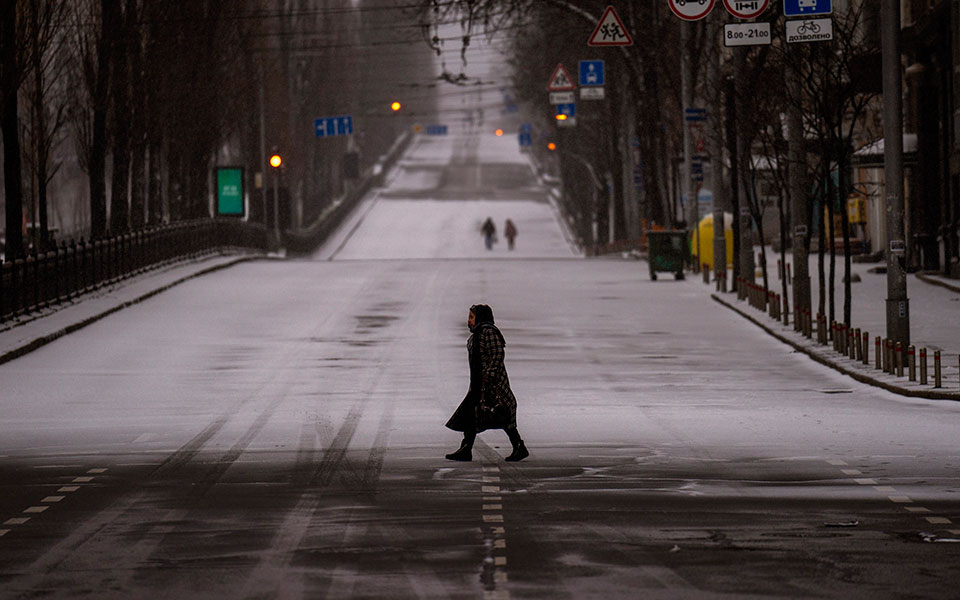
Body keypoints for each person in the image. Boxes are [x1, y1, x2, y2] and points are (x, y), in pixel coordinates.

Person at [445, 304, 528, 462]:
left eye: (471, 317)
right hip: (479, 385)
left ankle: (518, 446)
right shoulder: (476, 335)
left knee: (502, 413)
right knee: (472, 415)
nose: (469, 321)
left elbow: (497, 354)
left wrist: (489, 375)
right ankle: (466, 448)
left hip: (492, 384)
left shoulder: (488, 332)